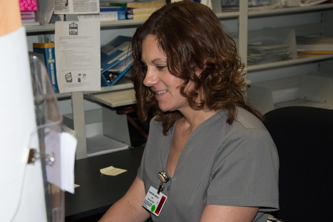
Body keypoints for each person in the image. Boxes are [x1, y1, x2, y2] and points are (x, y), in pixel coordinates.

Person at [99, 1, 279, 222]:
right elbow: (137, 203)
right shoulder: (162, 126)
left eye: (161, 66)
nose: (147, 79)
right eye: (146, 67)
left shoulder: (245, 142)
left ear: (201, 64)